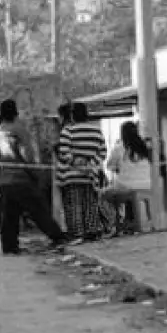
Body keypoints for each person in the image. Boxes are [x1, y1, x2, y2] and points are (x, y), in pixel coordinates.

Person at [0, 98, 67, 255]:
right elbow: (27, 155)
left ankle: (9, 246)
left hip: (5, 179)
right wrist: (36, 173)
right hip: (21, 178)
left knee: (9, 216)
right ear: (15, 112)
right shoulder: (19, 129)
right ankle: (58, 237)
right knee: (38, 209)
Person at [56, 102, 107, 243]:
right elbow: (102, 152)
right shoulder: (97, 131)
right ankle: (92, 231)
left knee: (74, 205)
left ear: (72, 115)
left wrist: (75, 162)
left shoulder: (68, 130)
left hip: (71, 175)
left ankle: (77, 234)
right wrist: (90, 164)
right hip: (90, 175)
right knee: (90, 203)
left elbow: (64, 152)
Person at [104, 121, 153, 232]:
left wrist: (119, 168)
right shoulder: (144, 146)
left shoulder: (119, 147)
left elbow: (109, 166)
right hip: (147, 184)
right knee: (130, 190)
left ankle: (117, 223)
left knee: (104, 194)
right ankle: (136, 221)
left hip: (126, 186)